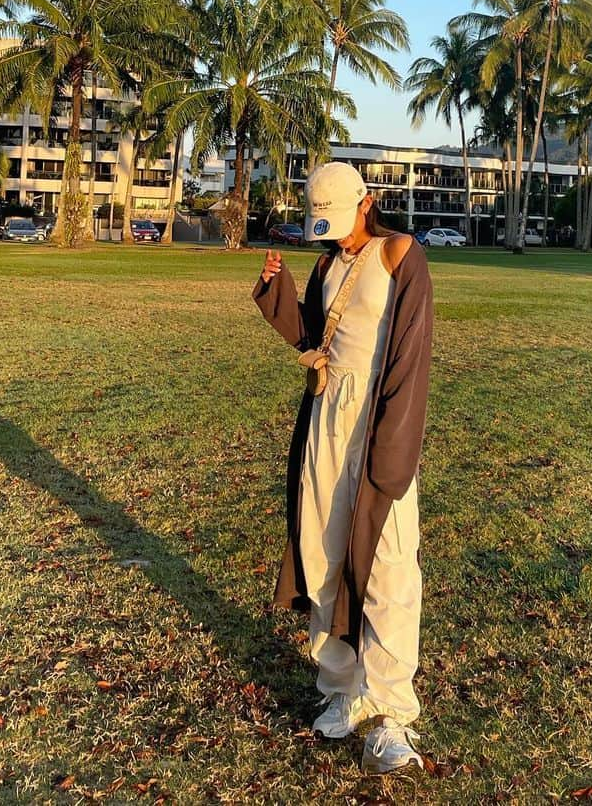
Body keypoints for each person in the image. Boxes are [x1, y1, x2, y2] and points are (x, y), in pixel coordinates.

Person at [253, 161, 434, 775]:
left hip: (379, 423)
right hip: (325, 418)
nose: (336, 237)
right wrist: (276, 289)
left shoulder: (400, 254)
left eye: (341, 221)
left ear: (368, 201)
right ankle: (342, 689)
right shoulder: (329, 263)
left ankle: (389, 714)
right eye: (322, 226)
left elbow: (411, 353)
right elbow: (312, 334)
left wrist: (395, 446)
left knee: (388, 566)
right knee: (322, 553)